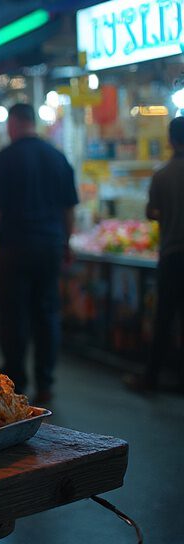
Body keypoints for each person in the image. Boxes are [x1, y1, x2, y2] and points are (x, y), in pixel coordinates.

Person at [0, 103, 78, 404]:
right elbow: (68, 209)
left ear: (15, 123)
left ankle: (16, 377)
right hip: (49, 247)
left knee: (12, 315)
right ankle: (45, 382)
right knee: (46, 313)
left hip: (15, 248)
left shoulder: (6, 157)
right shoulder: (58, 157)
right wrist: (67, 244)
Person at [125, 117, 184, 393]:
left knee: (164, 318)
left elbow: (151, 212)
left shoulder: (162, 174)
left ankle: (151, 377)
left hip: (172, 255)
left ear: (170, 140)